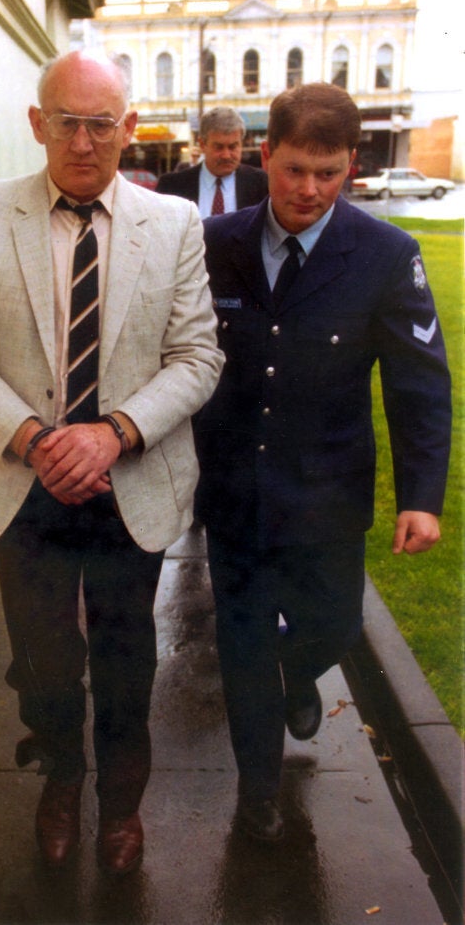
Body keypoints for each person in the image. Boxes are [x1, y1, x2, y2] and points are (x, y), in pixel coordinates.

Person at [0, 50, 223, 875]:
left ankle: (122, 805)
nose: (86, 142)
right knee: (43, 659)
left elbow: (197, 356)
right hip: (25, 486)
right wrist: (34, 438)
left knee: (129, 658)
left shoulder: (173, 225)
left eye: (103, 123)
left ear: (129, 128)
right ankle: (61, 776)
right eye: (68, 121)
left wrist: (113, 431)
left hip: (130, 482)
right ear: (38, 124)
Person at [194, 82, 451, 842]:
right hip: (235, 489)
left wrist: (422, 495)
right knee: (240, 638)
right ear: (265, 155)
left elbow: (418, 383)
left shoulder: (384, 254)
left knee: (333, 626)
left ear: (352, 166)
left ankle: (299, 670)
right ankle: (258, 791)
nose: (309, 190)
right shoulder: (215, 245)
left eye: (329, 172)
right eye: (295, 168)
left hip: (329, 495)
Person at [156, 107, 267, 216]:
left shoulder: (262, 184)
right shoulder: (171, 187)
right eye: (219, 147)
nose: (226, 156)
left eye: (233, 147)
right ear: (202, 144)